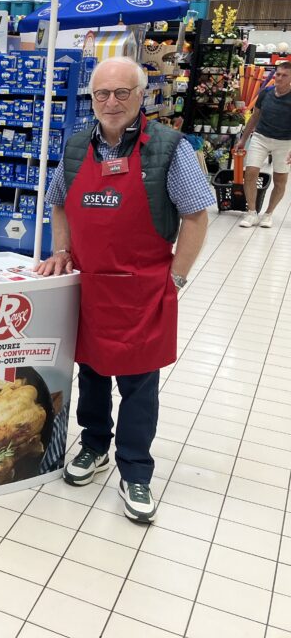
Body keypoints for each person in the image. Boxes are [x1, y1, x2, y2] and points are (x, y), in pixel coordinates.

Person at [36, 56, 214, 524]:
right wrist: (61, 251)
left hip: (143, 290)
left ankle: (136, 470)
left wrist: (176, 277)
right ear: (90, 98)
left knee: (139, 385)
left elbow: (196, 215)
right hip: (91, 287)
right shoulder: (77, 147)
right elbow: (58, 203)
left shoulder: (170, 149)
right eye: (101, 94)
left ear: (140, 96)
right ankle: (94, 446)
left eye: (121, 93)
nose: (110, 102)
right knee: (91, 373)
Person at [236, 61, 291, 228]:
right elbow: (254, 117)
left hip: (285, 142)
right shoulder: (266, 93)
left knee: (280, 180)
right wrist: (243, 140)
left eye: (284, 75)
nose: (279, 78)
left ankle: (268, 214)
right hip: (260, 137)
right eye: (278, 74)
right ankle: (251, 212)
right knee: (251, 173)